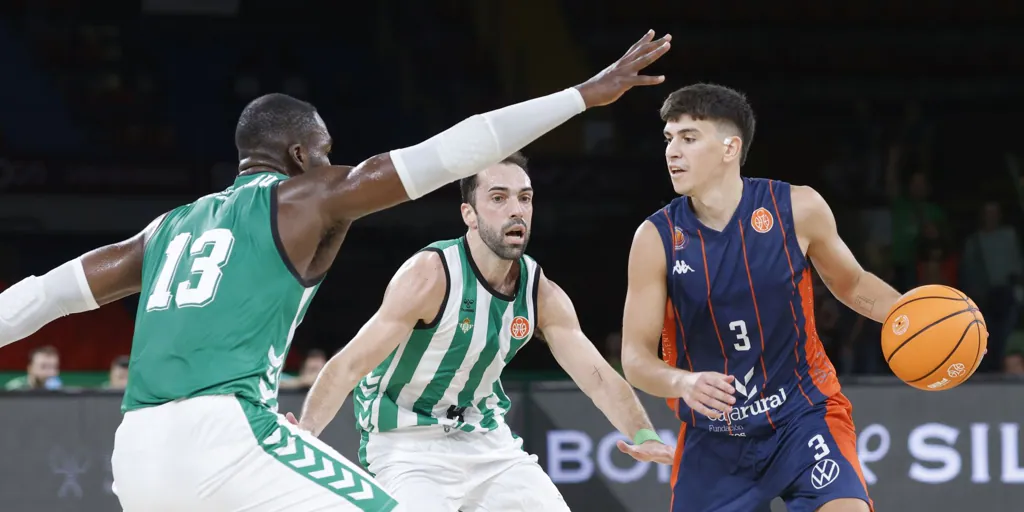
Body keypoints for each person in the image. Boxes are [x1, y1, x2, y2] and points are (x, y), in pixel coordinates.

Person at [0, 31, 672, 512]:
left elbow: (44, 295)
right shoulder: (305, 196)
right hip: (227, 432)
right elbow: (449, 151)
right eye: (325, 154)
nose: (332, 166)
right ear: (299, 155)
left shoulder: (163, 231)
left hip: (135, 453)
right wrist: (581, 96)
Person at [294, 152, 674, 512]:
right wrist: (306, 434)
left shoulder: (540, 291)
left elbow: (599, 379)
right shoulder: (430, 275)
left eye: (525, 198)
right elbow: (348, 366)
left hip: (485, 439)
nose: (516, 210)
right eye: (498, 197)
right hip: (406, 443)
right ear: (469, 214)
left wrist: (645, 435)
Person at [621, 83, 899, 512]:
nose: (672, 151)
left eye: (688, 138)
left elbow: (853, 285)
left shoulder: (797, 207)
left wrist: (912, 315)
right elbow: (635, 359)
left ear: (730, 148)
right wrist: (683, 381)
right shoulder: (655, 238)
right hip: (714, 437)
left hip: (801, 414)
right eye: (669, 138)